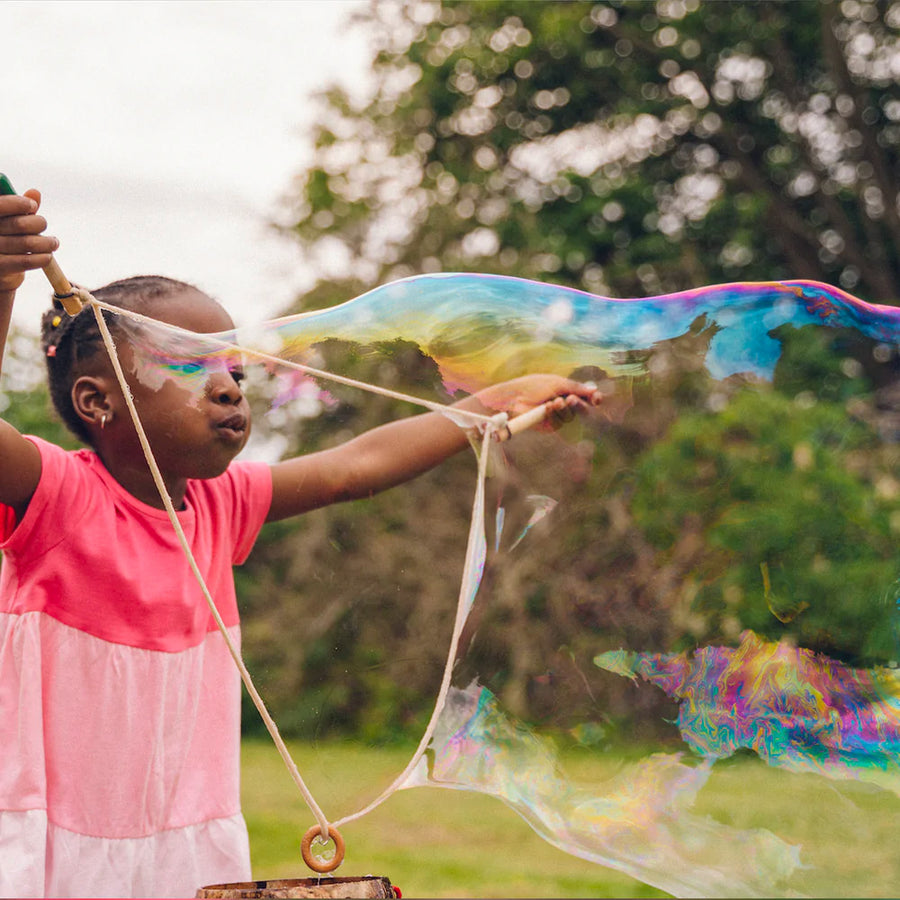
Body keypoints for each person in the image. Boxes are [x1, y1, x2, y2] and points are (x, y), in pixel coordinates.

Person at [0, 188, 599, 898]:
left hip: (187, 839)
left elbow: (355, 468)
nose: (229, 389)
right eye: (193, 366)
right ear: (99, 401)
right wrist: (4, 283)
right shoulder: (60, 495)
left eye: (236, 373)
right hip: (63, 840)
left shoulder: (220, 505)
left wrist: (490, 405)